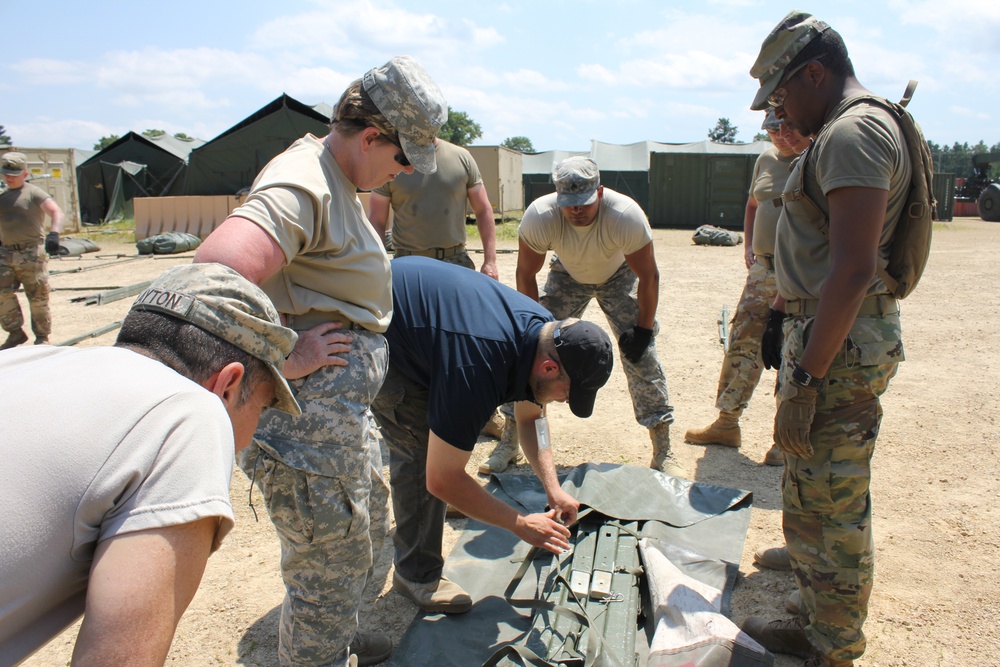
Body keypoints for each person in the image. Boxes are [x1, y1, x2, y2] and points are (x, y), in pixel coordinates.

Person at [193, 56, 447, 667]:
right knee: (325, 564)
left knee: (356, 541)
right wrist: (284, 350)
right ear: (370, 137)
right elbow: (210, 276)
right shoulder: (303, 179)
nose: (403, 172)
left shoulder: (337, 175)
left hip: (338, 414)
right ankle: (319, 650)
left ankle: (339, 630)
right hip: (305, 423)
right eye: (403, 157)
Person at [0, 262, 300, 666]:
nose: (249, 436)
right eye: (263, 407)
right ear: (228, 385)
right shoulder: (190, 413)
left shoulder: (27, 362)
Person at [738, 12, 914, 667]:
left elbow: (854, 267)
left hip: (837, 349)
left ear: (815, 73)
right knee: (812, 485)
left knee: (836, 498)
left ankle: (835, 644)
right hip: (825, 335)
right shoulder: (850, 128)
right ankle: (817, 616)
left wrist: (806, 378)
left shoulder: (854, 132)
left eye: (783, 95)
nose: (780, 109)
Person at [371, 256, 614, 613]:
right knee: (420, 454)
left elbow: (532, 418)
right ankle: (416, 575)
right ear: (549, 367)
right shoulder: (477, 365)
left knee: (450, 439)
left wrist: (553, 488)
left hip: (427, 321)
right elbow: (440, 478)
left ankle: (440, 511)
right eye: (567, 392)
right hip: (382, 328)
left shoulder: (546, 335)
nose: (564, 400)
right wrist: (518, 524)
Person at [514, 156, 685, 477]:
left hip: (618, 275)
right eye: (569, 204)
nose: (576, 210)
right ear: (557, 197)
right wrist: (532, 329)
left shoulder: (625, 216)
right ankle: (510, 442)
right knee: (529, 357)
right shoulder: (541, 215)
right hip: (567, 274)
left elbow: (649, 276)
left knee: (642, 356)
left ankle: (664, 449)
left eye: (585, 203)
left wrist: (644, 331)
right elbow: (525, 275)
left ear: (601, 193)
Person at [684, 110, 811, 466]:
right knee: (743, 342)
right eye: (773, 129)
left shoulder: (816, 158)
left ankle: (785, 438)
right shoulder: (766, 158)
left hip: (802, 272)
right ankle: (727, 423)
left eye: (788, 129)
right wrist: (749, 245)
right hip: (764, 269)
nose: (781, 136)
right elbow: (754, 202)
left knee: (793, 349)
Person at [367, 137, 499, 280]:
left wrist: (490, 262)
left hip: (454, 262)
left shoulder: (461, 157)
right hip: (407, 263)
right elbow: (377, 219)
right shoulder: (391, 159)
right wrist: (378, 262)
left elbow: (483, 210)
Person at [0, 151, 66, 348]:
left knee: (38, 297)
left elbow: (56, 211)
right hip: (6, 253)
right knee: (2, 294)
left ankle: (42, 337)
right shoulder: (2, 197)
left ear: (25, 174)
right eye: (6, 174)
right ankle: (15, 333)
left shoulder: (33, 193)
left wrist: (54, 234)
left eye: (14, 174)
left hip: (31, 254)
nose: (9, 178)